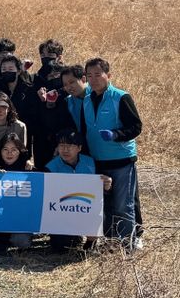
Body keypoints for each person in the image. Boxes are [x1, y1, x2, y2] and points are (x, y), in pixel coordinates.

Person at [83, 58, 143, 250]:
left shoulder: (121, 97)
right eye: (89, 76)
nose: (93, 79)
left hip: (121, 160)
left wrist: (115, 135)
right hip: (97, 160)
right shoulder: (86, 99)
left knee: (122, 205)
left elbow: (135, 127)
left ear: (108, 75)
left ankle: (128, 244)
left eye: (98, 74)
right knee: (104, 204)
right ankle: (110, 241)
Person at [45, 130, 112, 251]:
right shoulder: (50, 167)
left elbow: (102, 191)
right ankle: (74, 236)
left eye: (70, 146)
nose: (65, 150)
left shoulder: (91, 163)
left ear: (79, 148)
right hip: (62, 210)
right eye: (62, 146)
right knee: (60, 247)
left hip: (86, 208)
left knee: (101, 216)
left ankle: (91, 240)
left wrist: (107, 186)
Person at [0, 132, 33, 249]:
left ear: (20, 151)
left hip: (20, 219)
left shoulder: (28, 169)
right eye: (5, 149)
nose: (9, 153)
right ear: (0, 151)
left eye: (14, 150)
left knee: (21, 242)